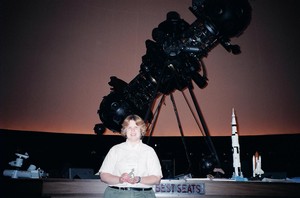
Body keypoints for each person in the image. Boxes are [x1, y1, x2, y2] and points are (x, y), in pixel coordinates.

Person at [99, 114, 163, 198]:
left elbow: (156, 179)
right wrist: (120, 179)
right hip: (115, 194)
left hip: (143, 195)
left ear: (141, 130)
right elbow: (104, 176)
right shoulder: (115, 149)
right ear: (125, 130)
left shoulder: (149, 151)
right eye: (129, 127)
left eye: (136, 127)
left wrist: (139, 179)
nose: (133, 131)